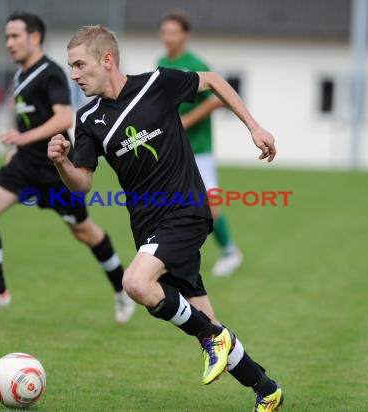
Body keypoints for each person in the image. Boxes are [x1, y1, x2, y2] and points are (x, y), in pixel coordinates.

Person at [48, 25, 284, 411]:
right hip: (148, 228)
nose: (74, 74)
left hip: (187, 211)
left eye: (79, 64)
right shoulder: (88, 118)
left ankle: (213, 339)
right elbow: (81, 185)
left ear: (107, 60)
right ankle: (267, 389)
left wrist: (254, 127)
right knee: (206, 323)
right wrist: (60, 161)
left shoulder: (156, 83)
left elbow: (213, 82)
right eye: (70, 66)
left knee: (136, 283)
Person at [0, 12, 136, 325]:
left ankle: (122, 290)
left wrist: (23, 138)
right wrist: (18, 148)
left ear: (34, 37)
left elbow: (63, 118)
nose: (9, 43)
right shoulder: (20, 75)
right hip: (24, 165)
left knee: (85, 232)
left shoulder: (50, 72)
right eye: (7, 38)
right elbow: (27, 121)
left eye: (15, 36)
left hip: (54, 171)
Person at [158, 10, 242, 277]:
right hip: (173, 148)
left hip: (199, 148)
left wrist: (186, 121)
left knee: (209, 204)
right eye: (165, 32)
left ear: (185, 35)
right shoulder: (160, 61)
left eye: (173, 32)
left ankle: (230, 251)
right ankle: (168, 256)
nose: (168, 37)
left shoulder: (195, 62)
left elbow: (217, 99)